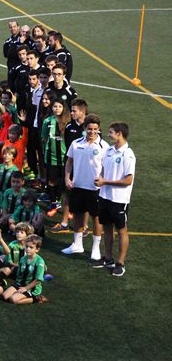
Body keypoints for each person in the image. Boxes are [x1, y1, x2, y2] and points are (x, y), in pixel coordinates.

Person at [63, 114, 107, 260]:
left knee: (96, 218)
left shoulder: (104, 146)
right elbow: (69, 161)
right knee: (77, 215)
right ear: (84, 128)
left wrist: (103, 179)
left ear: (98, 129)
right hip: (77, 186)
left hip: (95, 189)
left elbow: (107, 167)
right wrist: (67, 177)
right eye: (89, 129)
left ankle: (95, 248)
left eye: (95, 129)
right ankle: (77, 244)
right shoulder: (76, 143)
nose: (92, 132)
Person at [94, 122, 135, 277]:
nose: (108, 134)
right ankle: (108, 258)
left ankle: (120, 263)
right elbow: (104, 170)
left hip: (119, 199)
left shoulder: (128, 155)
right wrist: (101, 179)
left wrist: (105, 182)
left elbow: (128, 181)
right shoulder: (109, 150)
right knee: (107, 228)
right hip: (104, 196)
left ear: (119, 134)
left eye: (111, 132)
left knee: (122, 231)